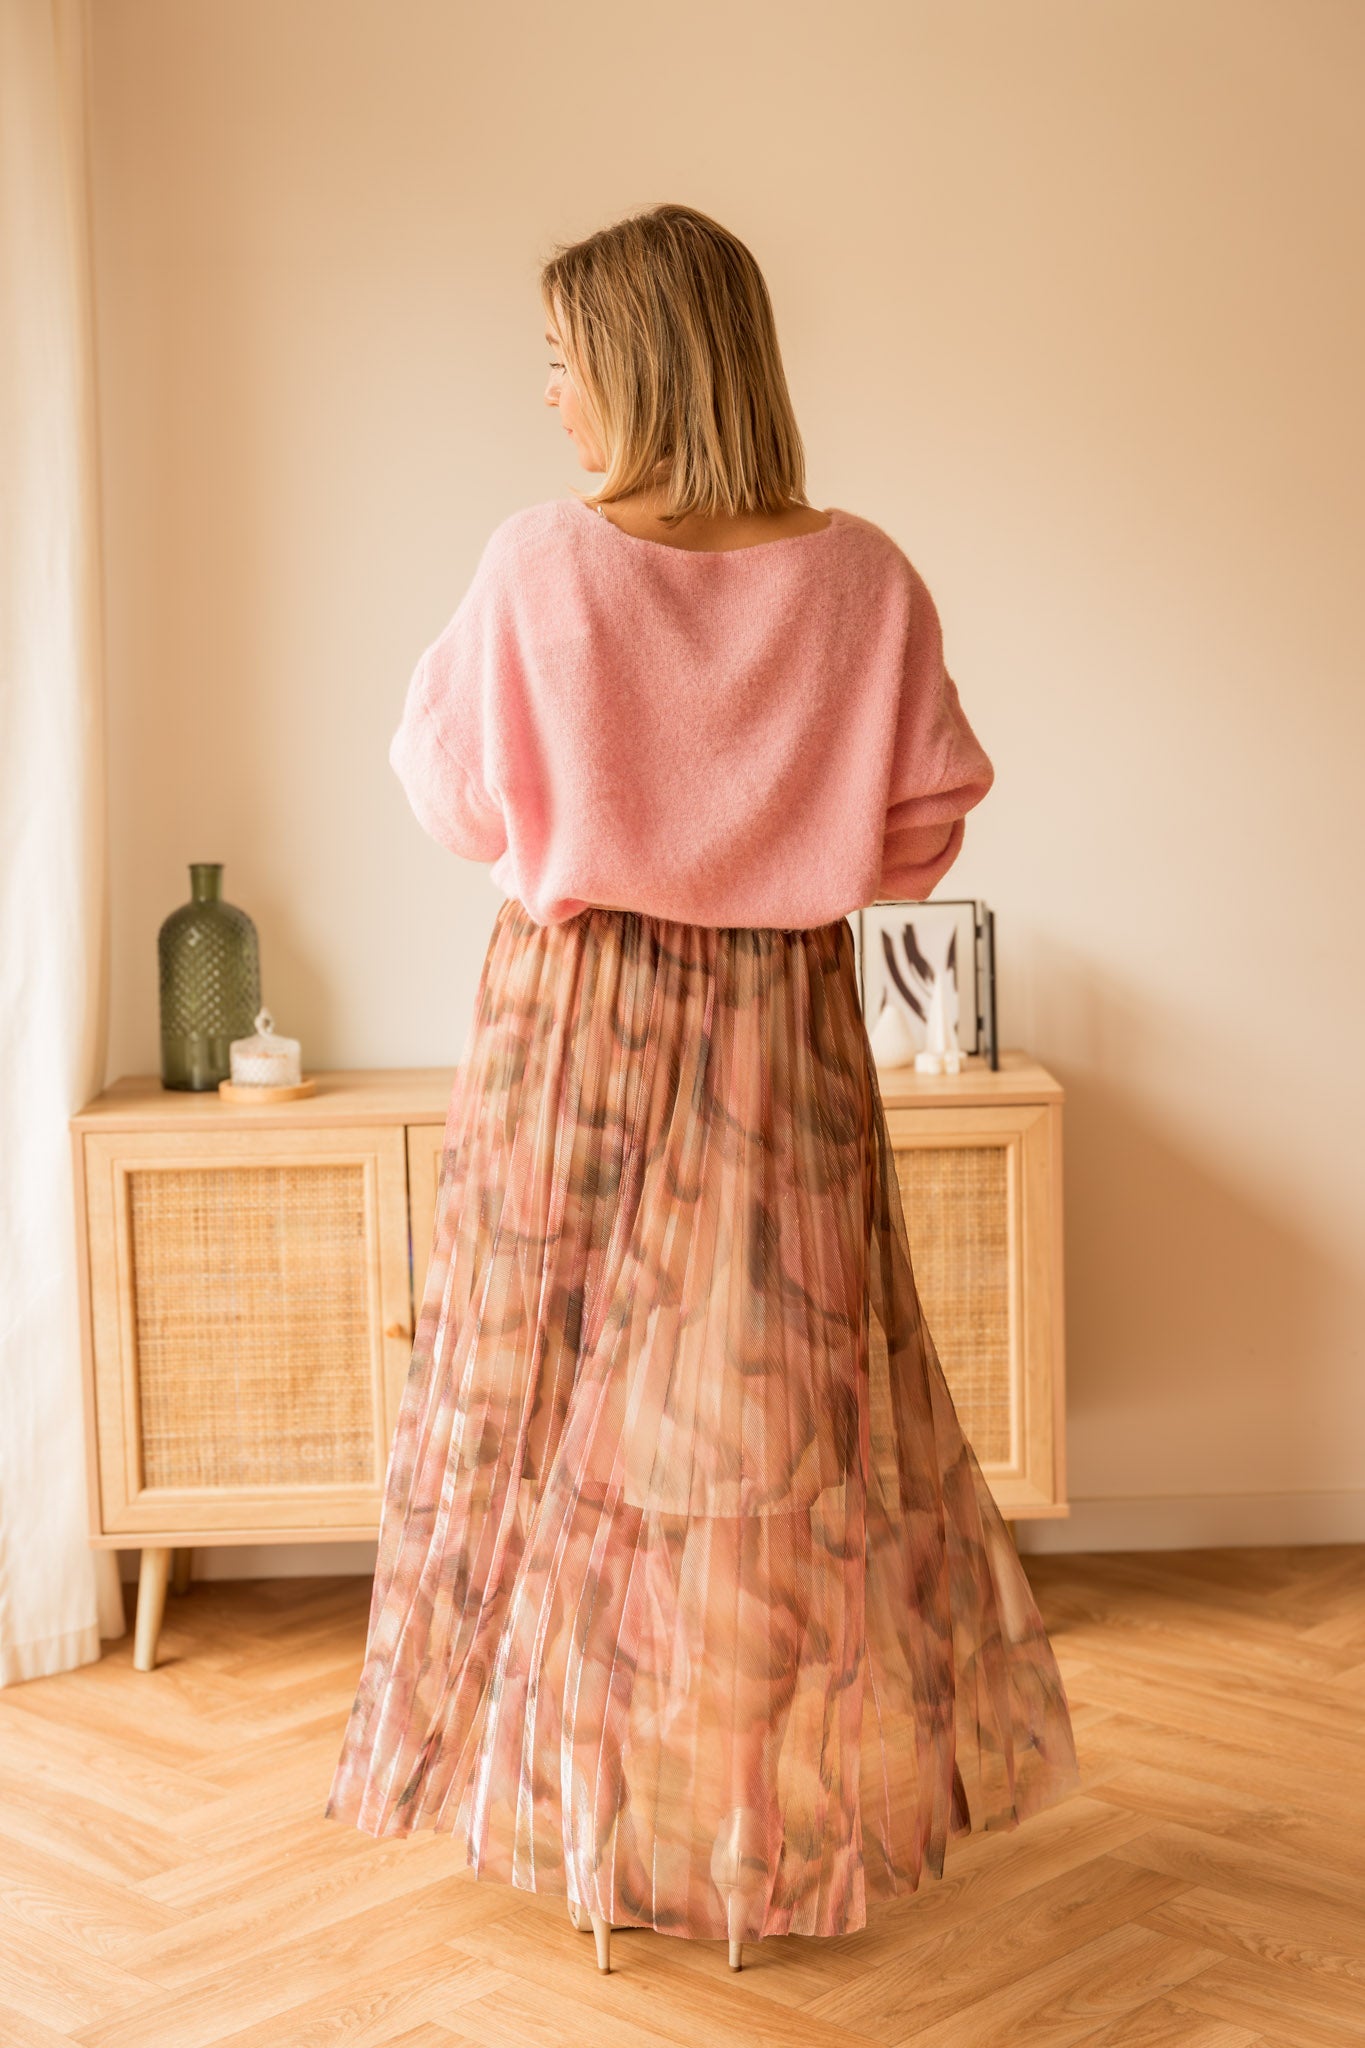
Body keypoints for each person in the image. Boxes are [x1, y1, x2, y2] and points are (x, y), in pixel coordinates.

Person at [324, 201, 1080, 1976]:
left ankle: (590, 1824)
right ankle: (756, 1829)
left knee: (542, 1400)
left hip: (572, 1022)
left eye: (563, 360)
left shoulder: (539, 562)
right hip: (781, 1036)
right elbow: (921, 832)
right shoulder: (863, 575)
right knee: (773, 1430)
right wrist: (765, 836)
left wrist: (621, 816)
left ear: (640, 364)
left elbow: (452, 796)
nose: (548, 395)